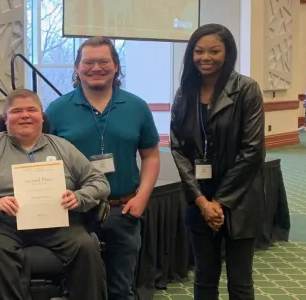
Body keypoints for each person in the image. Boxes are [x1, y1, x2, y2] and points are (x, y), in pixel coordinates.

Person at [0, 89, 109, 300]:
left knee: (87, 246)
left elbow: (99, 182)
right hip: (5, 224)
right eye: (17, 111)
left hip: (58, 222)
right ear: (5, 119)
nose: (25, 115)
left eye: (31, 110)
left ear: (42, 117)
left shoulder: (63, 147)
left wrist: (80, 197)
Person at [46, 36, 160, 300]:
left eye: (103, 61)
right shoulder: (57, 109)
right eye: (88, 62)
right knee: (80, 288)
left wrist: (142, 197)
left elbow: (151, 155)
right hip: (75, 215)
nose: (96, 68)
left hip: (124, 209)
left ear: (116, 66)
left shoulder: (137, 107)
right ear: (76, 68)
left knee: (122, 289)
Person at [169, 23, 265, 300]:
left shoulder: (246, 89)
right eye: (199, 51)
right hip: (199, 197)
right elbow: (177, 149)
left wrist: (219, 203)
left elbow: (253, 151)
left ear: (228, 53)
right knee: (204, 278)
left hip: (240, 198)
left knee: (240, 281)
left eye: (214, 51)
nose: (205, 57)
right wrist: (202, 202)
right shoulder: (184, 92)